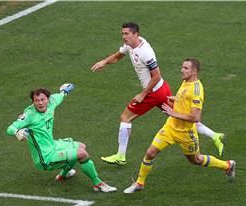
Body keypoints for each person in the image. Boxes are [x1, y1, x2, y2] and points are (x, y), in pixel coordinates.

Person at [90, 22, 224, 166]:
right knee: (181, 115)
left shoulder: (145, 52)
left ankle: (120, 156)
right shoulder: (130, 45)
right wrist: (104, 62)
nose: (124, 36)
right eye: (122, 34)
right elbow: (117, 56)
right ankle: (214, 135)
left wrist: (143, 94)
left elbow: (156, 76)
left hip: (153, 91)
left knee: (125, 117)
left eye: (126, 34)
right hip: (162, 89)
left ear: (136, 34)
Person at [123, 58, 236, 193]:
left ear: (194, 71)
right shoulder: (186, 81)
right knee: (150, 153)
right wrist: (175, 99)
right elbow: (184, 98)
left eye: (185, 68)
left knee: (196, 160)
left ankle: (227, 165)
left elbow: (195, 117)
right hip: (170, 127)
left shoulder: (196, 91)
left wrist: (173, 112)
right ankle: (139, 183)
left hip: (186, 133)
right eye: (182, 67)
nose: (182, 70)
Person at [6, 84, 117, 193]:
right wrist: (17, 132)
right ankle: (98, 184)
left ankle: (63, 175)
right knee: (81, 154)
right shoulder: (29, 115)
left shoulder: (52, 102)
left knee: (82, 146)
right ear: (33, 102)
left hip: (53, 145)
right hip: (45, 157)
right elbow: (10, 128)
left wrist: (64, 91)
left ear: (48, 99)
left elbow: (59, 96)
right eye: (36, 100)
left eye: (42, 99)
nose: (40, 103)